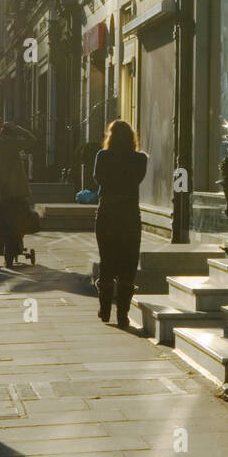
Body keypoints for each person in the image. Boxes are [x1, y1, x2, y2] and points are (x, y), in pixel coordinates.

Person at [93, 120, 147, 329]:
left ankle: (105, 309)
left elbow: (98, 179)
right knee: (128, 263)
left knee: (107, 260)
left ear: (111, 136)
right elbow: (137, 180)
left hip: (107, 212)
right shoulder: (140, 159)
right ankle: (123, 314)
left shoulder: (102, 156)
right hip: (130, 214)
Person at [0, 122, 36, 268]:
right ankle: (9, 261)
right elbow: (32, 139)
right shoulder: (14, 144)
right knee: (12, 228)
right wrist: (17, 127)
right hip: (13, 194)